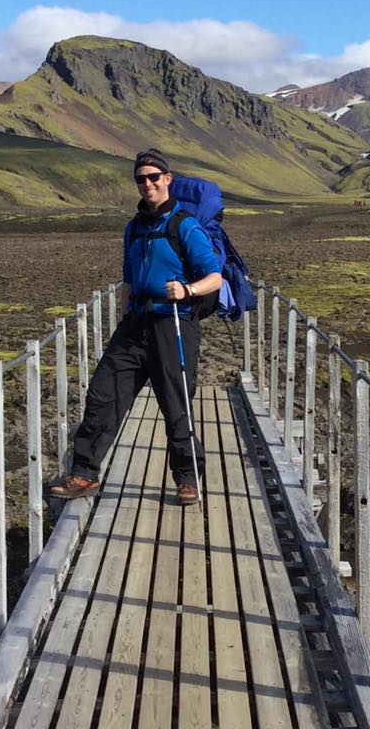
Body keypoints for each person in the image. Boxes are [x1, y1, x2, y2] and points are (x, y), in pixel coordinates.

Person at [50, 149, 223, 505]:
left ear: (167, 179)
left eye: (154, 177)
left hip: (172, 323)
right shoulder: (133, 228)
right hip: (136, 323)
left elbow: (214, 277)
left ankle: (187, 478)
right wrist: (126, 314)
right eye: (141, 179)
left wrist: (187, 290)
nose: (148, 184)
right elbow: (128, 279)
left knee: (176, 402)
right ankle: (84, 474)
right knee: (104, 393)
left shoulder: (185, 226)